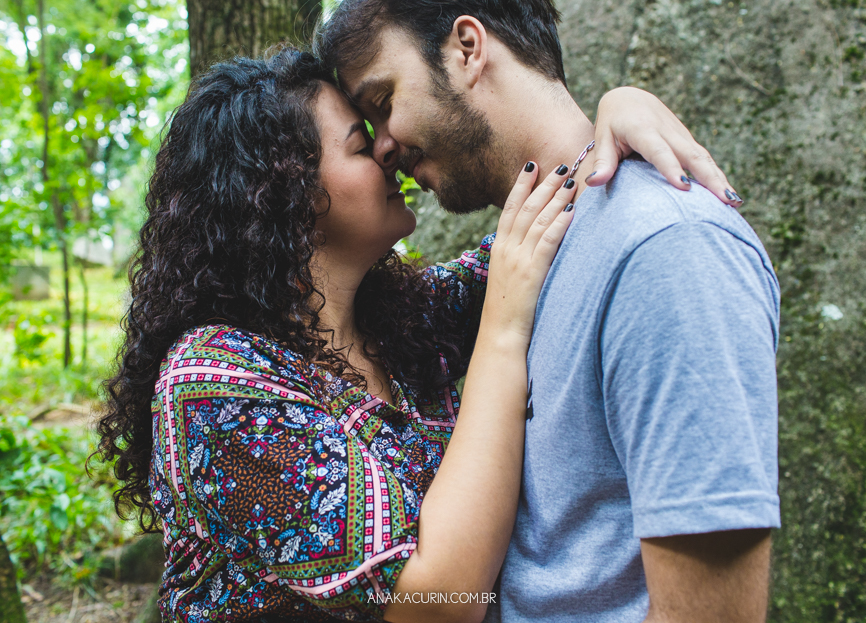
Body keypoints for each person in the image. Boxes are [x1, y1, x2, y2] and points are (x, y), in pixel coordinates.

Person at [94, 48, 744, 623]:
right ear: (284, 190)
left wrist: (621, 108)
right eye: (359, 141)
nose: (387, 149)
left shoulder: (403, 321)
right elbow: (436, 603)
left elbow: (555, 202)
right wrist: (502, 334)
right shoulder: (214, 386)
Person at [317, 0, 781, 622]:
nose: (383, 146)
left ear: (467, 49)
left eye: (384, 101)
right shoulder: (525, 255)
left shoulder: (667, 250)